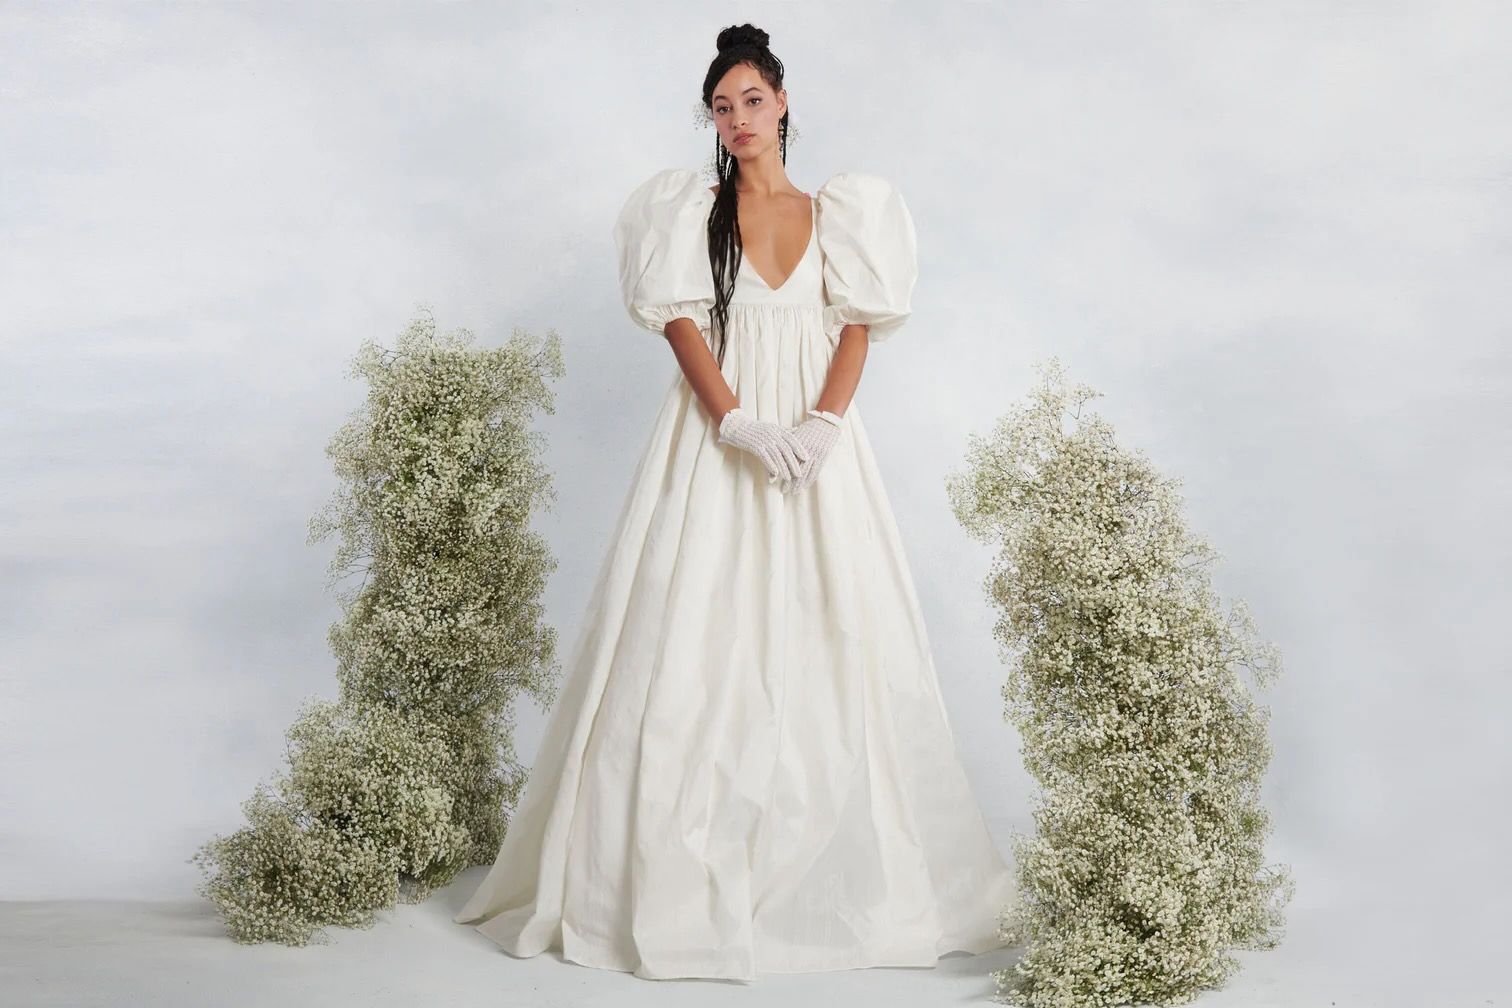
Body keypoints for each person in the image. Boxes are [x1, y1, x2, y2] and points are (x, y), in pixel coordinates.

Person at [453, 23, 1020, 982]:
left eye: (752, 100)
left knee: (837, 635)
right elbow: (681, 321)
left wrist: (822, 428)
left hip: (813, 441)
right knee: (689, 638)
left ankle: (826, 880)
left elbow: (856, 327)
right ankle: (660, 877)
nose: (738, 118)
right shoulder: (693, 210)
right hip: (719, 438)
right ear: (711, 120)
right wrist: (738, 424)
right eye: (722, 106)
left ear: (784, 103)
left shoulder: (838, 212)